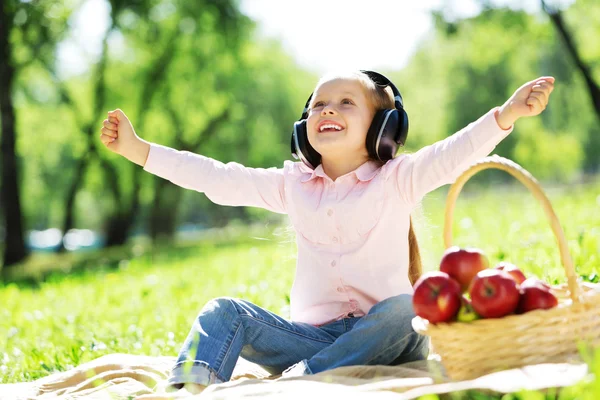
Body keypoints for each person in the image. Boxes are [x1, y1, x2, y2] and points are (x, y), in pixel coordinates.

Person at [99, 70, 554, 397]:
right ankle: (189, 386)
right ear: (304, 129)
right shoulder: (290, 184)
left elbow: (454, 152)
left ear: (383, 128)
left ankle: (301, 382)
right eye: (318, 104)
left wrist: (507, 113)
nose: (327, 110)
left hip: (390, 338)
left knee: (406, 307)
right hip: (312, 340)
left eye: (345, 103)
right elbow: (217, 177)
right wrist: (140, 151)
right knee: (224, 312)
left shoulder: (399, 177)